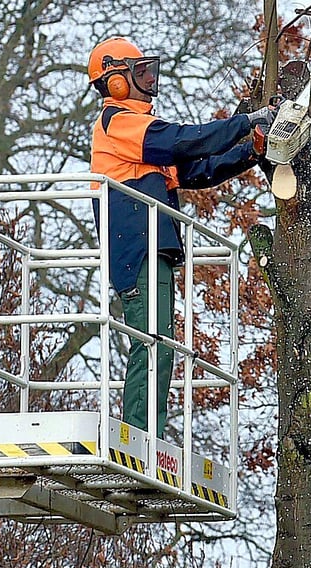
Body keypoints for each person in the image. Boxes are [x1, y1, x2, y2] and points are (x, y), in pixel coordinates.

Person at [87, 37, 272, 437]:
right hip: (137, 248)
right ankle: (137, 436)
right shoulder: (120, 124)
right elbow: (184, 141)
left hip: (153, 247)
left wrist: (251, 150)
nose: (149, 78)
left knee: (160, 345)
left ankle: (145, 433)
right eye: (140, 72)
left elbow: (199, 168)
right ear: (116, 81)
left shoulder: (142, 140)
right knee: (152, 344)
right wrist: (244, 122)